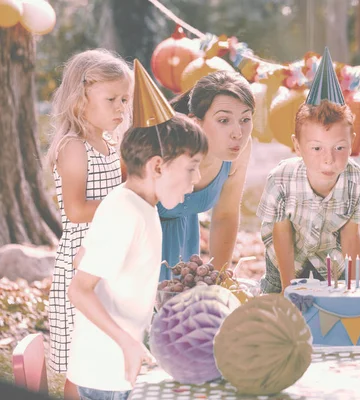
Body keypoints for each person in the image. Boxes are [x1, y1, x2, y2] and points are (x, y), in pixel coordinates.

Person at [67, 60, 208, 400]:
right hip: (105, 373)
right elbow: (79, 290)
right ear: (157, 166)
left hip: (119, 368)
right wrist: (127, 343)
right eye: (191, 168)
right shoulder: (125, 211)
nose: (197, 180)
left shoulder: (139, 207)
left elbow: (97, 265)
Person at [46, 48, 132, 399]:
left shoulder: (110, 144)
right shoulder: (74, 148)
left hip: (108, 260)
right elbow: (77, 209)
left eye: (124, 99)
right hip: (82, 261)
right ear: (81, 100)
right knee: (82, 359)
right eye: (111, 98)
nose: (120, 107)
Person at [257, 48, 360, 293]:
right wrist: (288, 289)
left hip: (331, 267)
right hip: (283, 265)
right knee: (282, 317)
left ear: (352, 141)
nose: (328, 160)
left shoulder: (359, 183)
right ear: (297, 146)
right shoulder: (281, 179)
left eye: (339, 148)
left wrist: (353, 289)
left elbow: (351, 237)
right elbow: (282, 236)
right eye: (316, 148)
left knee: (335, 316)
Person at [158, 70, 255, 280]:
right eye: (223, 120)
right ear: (196, 122)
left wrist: (217, 278)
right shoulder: (163, 145)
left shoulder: (238, 152)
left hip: (184, 246)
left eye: (245, 119)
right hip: (138, 247)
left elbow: (225, 216)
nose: (238, 132)